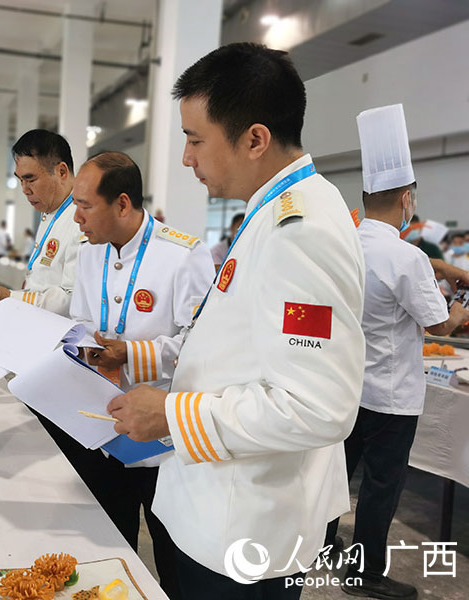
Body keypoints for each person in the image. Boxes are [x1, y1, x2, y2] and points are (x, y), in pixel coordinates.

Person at [105, 43, 366, 599]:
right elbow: (228, 341)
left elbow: (316, 405)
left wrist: (174, 417)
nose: (186, 159)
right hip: (219, 506)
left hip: (246, 527)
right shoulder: (268, 214)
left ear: (254, 139)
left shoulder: (302, 230)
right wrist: (134, 356)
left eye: (195, 140)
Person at [323, 104, 469, 600]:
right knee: (381, 488)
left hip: (346, 384)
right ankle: (364, 576)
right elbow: (439, 324)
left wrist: (442, 273)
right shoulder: (405, 257)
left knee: (336, 475)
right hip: (389, 394)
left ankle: (324, 546)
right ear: (407, 199)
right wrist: (459, 301)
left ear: (363, 197)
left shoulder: (345, 241)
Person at [69, 151, 215, 599]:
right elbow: (80, 321)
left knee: (174, 561)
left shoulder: (182, 256)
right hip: (102, 428)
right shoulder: (89, 254)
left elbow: (200, 347)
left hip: (162, 444)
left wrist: (130, 355)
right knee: (105, 554)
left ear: (123, 204)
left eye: (85, 205)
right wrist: (83, 349)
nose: (76, 218)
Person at [0, 129, 81, 317]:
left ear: (61, 171)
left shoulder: (82, 219)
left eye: (30, 179)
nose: (24, 189)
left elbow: (73, 299)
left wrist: (10, 297)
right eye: (20, 180)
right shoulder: (50, 213)